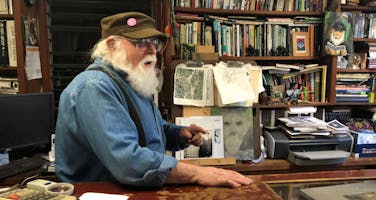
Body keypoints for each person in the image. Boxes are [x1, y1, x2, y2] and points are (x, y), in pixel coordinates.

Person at [55, 12, 253, 188]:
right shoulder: (94, 87)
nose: (152, 50)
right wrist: (198, 173)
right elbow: (128, 162)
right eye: (141, 42)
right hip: (100, 193)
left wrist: (178, 135)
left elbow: (150, 131)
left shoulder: (133, 79)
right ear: (111, 45)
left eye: (154, 42)